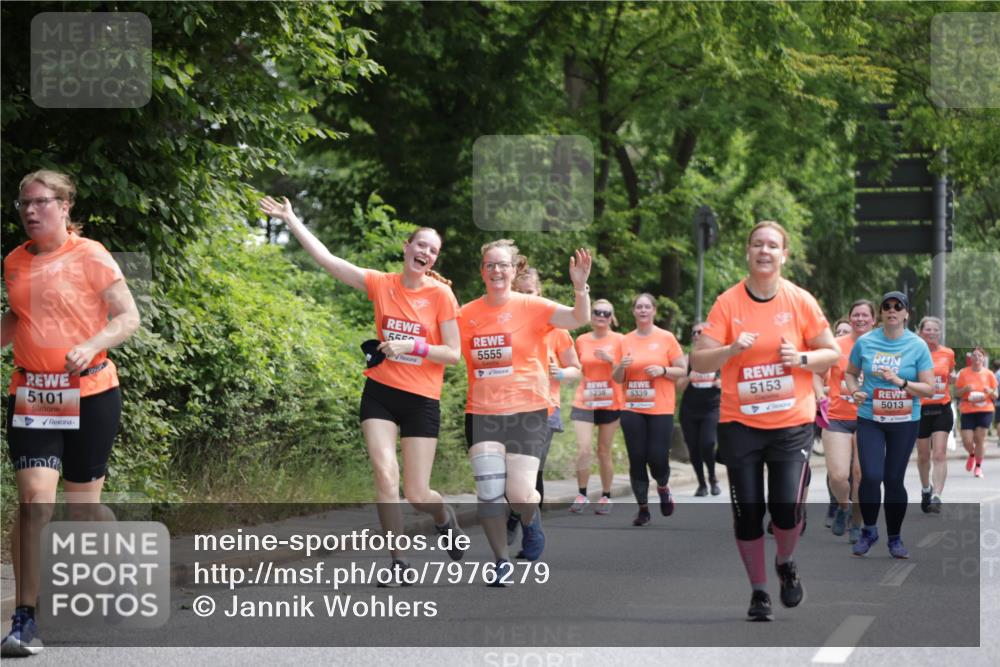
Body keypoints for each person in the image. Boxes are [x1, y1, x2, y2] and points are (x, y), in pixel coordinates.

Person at [259, 196, 465, 580]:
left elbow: (453, 354)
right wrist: (290, 218)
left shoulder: (440, 296)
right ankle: (399, 561)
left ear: (435, 260)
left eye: (433, 250)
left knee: (418, 495)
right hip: (381, 394)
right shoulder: (381, 284)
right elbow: (328, 260)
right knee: (385, 476)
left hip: (422, 400)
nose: (425, 253)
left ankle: (444, 516)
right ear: (406, 247)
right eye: (420, 245)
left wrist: (413, 346)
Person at [2, 170, 141, 657]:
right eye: (23, 204)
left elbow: (128, 316)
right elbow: (21, 316)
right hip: (35, 392)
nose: (30, 211)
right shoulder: (15, 262)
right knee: (35, 500)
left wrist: (91, 343)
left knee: (83, 510)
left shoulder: (91, 255)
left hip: (91, 391)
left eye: (40, 202)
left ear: (65, 207)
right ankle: (24, 620)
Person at [691, 220, 839, 622]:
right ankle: (759, 592)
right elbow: (699, 359)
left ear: (783, 255)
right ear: (748, 251)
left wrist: (802, 359)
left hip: (791, 422)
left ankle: (786, 561)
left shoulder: (799, 300)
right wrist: (729, 350)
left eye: (773, 245)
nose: (764, 251)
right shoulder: (727, 303)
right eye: (758, 244)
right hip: (740, 422)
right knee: (748, 513)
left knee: (787, 509)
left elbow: (832, 353)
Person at [458, 240, 591, 583]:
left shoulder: (533, 306)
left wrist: (580, 288)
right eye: (490, 265)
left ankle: (530, 520)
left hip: (528, 412)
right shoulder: (467, 314)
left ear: (514, 270)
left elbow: (579, 318)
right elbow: (443, 347)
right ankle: (501, 559)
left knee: (519, 494)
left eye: (503, 265)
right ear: (482, 271)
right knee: (489, 491)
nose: (497, 271)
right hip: (482, 412)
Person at [845, 291, 934, 559]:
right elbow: (850, 374)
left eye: (899, 306)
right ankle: (869, 530)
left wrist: (902, 382)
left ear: (907, 313)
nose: (892, 310)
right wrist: (854, 391)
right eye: (887, 306)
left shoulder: (917, 346)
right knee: (871, 475)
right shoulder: (866, 342)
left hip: (905, 419)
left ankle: (894, 538)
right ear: (881, 313)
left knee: (893, 479)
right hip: (871, 417)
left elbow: (929, 389)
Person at [506, 268, 580, 554]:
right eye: (519, 292)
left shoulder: (555, 327)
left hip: (544, 409)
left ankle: (530, 534)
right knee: (505, 474)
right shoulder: (503, 325)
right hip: (505, 408)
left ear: (539, 293)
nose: (525, 298)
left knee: (531, 473)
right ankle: (515, 513)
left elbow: (576, 368)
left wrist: (560, 373)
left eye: (530, 293)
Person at [612, 293, 686, 526]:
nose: (643, 310)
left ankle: (663, 486)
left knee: (657, 457)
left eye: (647, 307)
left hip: (660, 407)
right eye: (638, 307)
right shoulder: (624, 341)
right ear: (634, 311)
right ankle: (643, 508)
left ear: (653, 311)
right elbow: (617, 378)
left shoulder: (666, 338)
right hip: (632, 406)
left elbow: (682, 370)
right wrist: (621, 367)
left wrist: (663, 371)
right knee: (636, 458)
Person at [820, 301, 875, 540]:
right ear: (850, 318)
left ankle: (856, 521)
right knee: (838, 475)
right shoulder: (835, 346)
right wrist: (818, 393)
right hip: (837, 416)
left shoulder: (883, 346)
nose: (860, 319)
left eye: (865, 315)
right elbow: (816, 374)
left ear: (874, 320)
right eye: (856, 315)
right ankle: (843, 506)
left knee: (860, 474)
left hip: (869, 418)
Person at [568, 298, 624, 514]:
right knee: (583, 449)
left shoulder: (619, 340)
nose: (601, 316)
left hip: (610, 401)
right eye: (597, 312)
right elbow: (575, 368)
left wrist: (611, 360)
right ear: (591, 315)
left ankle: (606, 496)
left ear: (612, 317)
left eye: (606, 313)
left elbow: (624, 373)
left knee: (603, 451)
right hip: (585, 400)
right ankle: (582, 494)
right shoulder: (581, 340)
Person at [914, 316, 956, 511]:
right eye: (927, 330)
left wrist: (954, 378)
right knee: (923, 456)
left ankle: (937, 495)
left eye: (935, 330)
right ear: (920, 332)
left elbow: (951, 374)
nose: (931, 333)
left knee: (939, 453)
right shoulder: (914, 353)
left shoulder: (948, 353)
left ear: (940, 332)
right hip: (921, 409)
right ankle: (926, 488)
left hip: (942, 407)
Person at [677, 322, 722, 497]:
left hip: (711, 407)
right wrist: (689, 376)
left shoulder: (718, 357)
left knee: (708, 443)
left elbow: (732, 380)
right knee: (693, 447)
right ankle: (702, 483)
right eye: (694, 332)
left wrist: (721, 384)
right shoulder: (687, 359)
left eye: (700, 332)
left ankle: (712, 477)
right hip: (690, 409)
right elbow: (678, 387)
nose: (696, 335)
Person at [955, 346, 998, 478]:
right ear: (971, 358)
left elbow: (996, 395)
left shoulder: (989, 374)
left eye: (979, 355)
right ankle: (972, 454)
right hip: (968, 409)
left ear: (983, 358)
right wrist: (965, 389)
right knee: (967, 440)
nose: (977, 358)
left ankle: (978, 467)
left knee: (980, 439)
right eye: (974, 355)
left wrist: (989, 391)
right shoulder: (963, 373)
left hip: (985, 410)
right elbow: (956, 393)